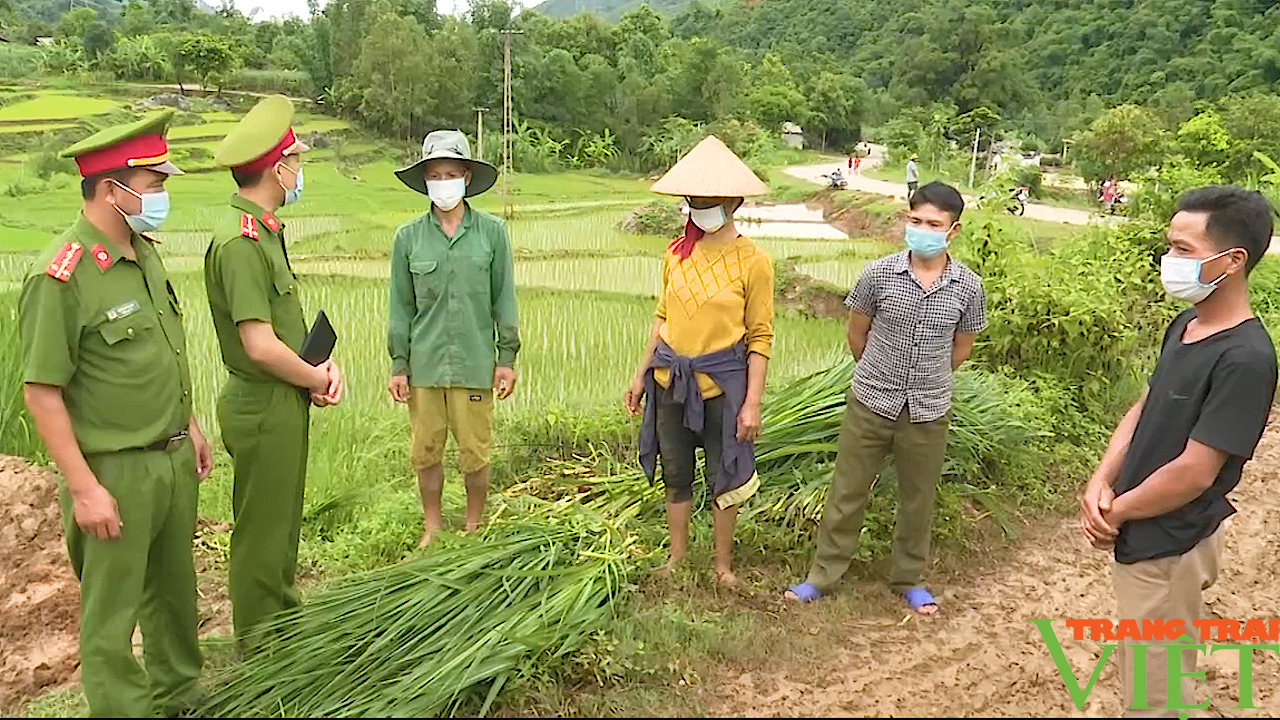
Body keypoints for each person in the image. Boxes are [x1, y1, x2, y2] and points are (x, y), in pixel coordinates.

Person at [19, 110, 212, 717]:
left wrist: (192, 427)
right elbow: (42, 392)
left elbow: (164, 351)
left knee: (175, 596)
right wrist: (83, 488)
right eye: (154, 185)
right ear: (113, 189)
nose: (161, 197)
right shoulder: (63, 277)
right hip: (114, 472)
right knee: (112, 614)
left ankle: (180, 696)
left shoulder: (144, 253)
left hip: (173, 457)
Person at [1080, 187, 1277, 718]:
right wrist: (1102, 480)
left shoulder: (1246, 359)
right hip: (1142, 523)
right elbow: (1145, 406)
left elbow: (1195, 471)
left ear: (1232, 261)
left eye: (1184, 250)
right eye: (1170, 247)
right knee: (1142, 669)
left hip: (1172, 539)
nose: (1170, 261)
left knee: (1156, 693)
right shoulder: (1186, 325)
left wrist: (1114, 513)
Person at [786, 181, 986, 613]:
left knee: (918, 496)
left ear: (953, 231)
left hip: (929, 408)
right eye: (916, 221)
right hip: (871, 401)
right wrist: (880, 373)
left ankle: (908, 576)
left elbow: (962, 346)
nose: (922, 230)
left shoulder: (968, 287)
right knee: (848, 491)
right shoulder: (878, 274)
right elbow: (857, 333)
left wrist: (927, 378)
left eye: (934, 224)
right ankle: (824, 574)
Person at [204, 94, 345, 650]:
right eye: (296, 163)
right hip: (263, 402)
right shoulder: (240, 243)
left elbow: (280, 334)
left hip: (282, 397)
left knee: (282, 524)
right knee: (263, 532)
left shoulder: (264, 231)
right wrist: (314, 379)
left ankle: (282, 628)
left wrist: (316, 367)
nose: (298, 172)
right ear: (277, 168)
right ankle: (262, 647)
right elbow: (259, 345)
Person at [625, 135, 774, 586]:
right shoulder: (677, 252)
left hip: (721, 386)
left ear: (734, 201)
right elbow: (663, 317)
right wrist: (639, 374)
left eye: (709, 200)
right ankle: (677, 556)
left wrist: (752, 402)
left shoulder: (754, 262)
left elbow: (760, 337)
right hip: (670, 380)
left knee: (725, 473)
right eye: (693, 199)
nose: (699, 206)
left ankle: (722, 566)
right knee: (676, 471)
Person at [387, 129, 519, 547]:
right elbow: (400, 307)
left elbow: (504, 298)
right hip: (424, 365)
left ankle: (474, 524)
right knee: (425, 450)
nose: (443, 182)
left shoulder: (492, 234)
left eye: (451, 173)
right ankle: (433, 525)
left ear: (466, 178)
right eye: (435, 174)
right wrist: (398, 364)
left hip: (475, 363)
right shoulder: (407, 238)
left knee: (475, 452)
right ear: (425, 180)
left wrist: (507, 358)